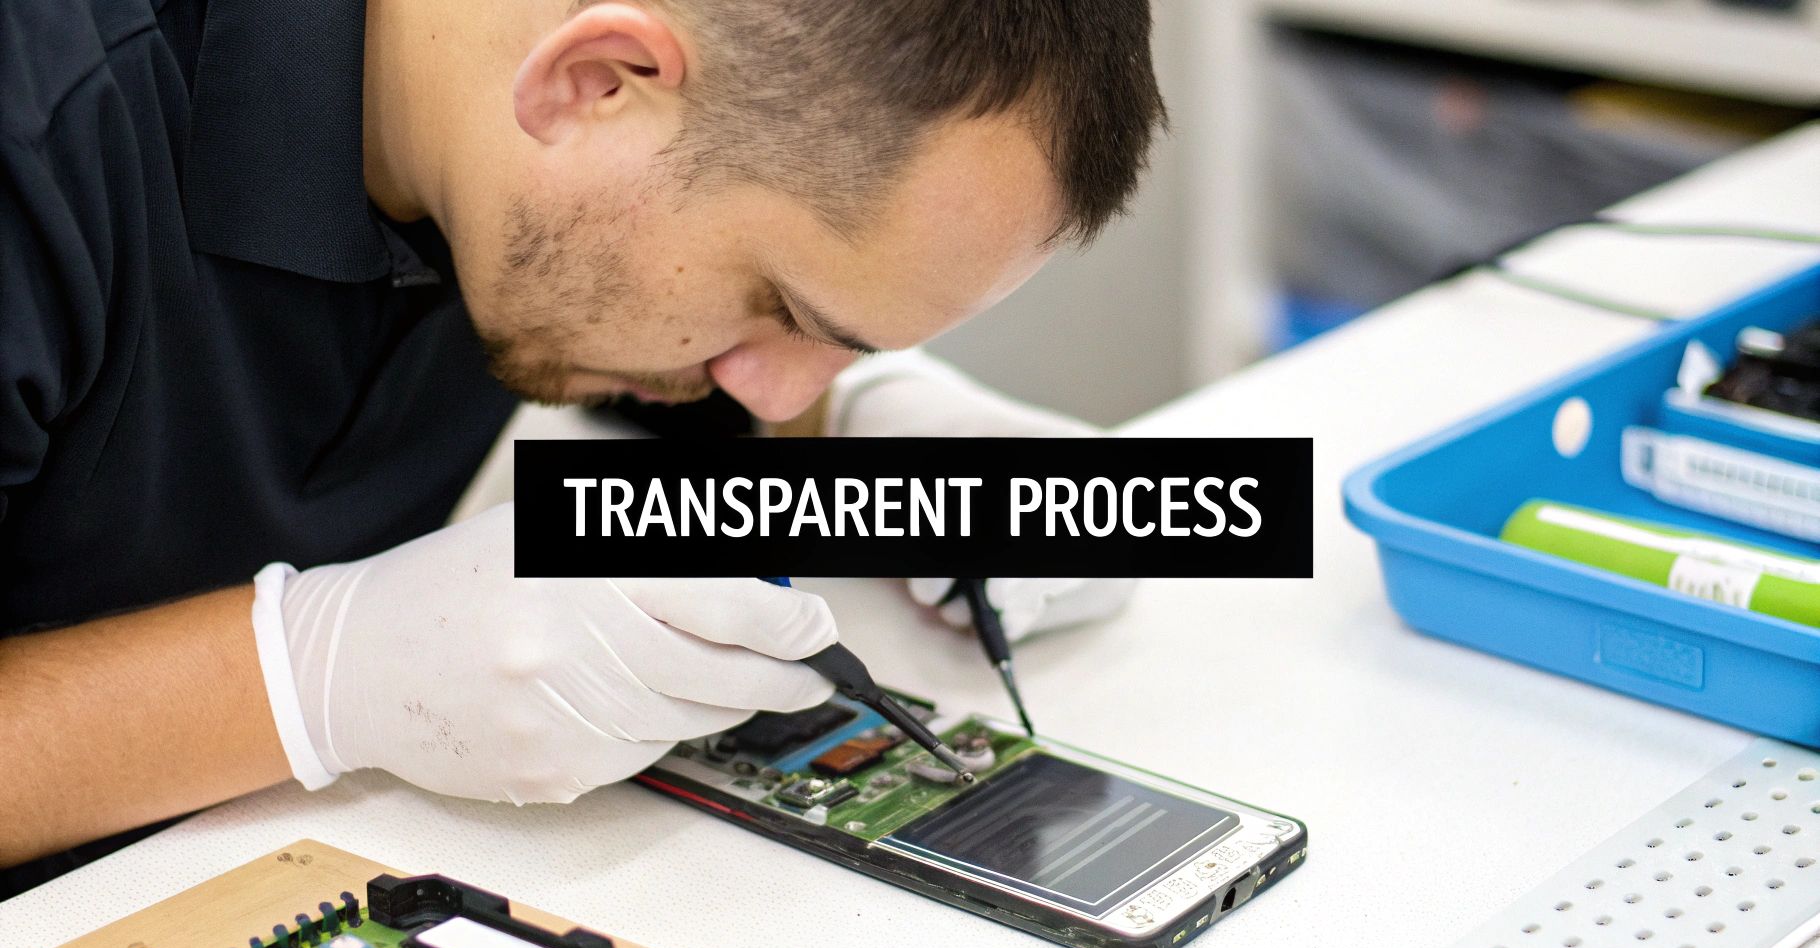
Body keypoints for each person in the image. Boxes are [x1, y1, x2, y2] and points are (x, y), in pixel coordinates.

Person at [0, 0, 1164, 890]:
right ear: (593, 82)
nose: (771, 390)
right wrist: (308, 675)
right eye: (785, 308)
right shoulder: (38, 122)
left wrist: (863, 427)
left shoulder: (496, 138)